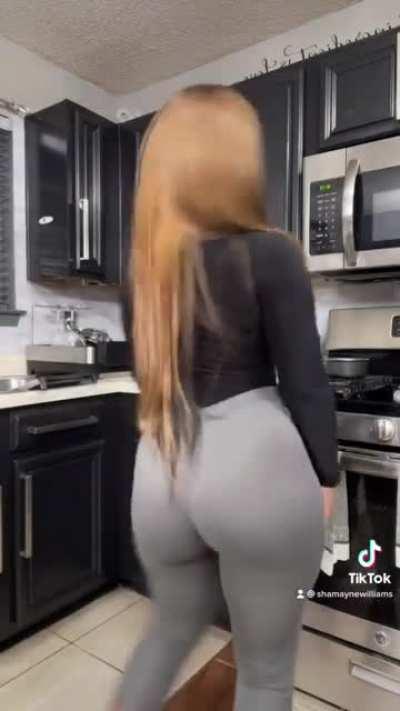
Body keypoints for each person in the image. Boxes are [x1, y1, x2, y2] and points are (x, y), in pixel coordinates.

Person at [115, 84, 339, 711]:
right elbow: (306, 383)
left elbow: (151, 378)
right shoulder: (271, 253)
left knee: (165, 633)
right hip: (255, 465)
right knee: (264, 673)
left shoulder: (144, 276)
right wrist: (326, 478)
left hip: (161, 467)